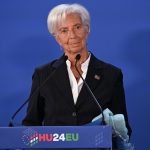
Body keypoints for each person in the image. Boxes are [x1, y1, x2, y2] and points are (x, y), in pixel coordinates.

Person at [22, 3, 132, 149]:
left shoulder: (111, 74)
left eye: (77, 27)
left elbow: (122, 126)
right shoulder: (43, 74)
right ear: (57, 38)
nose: (72, 35)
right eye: (64, 30)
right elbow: (30, 124)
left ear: (87, 30)